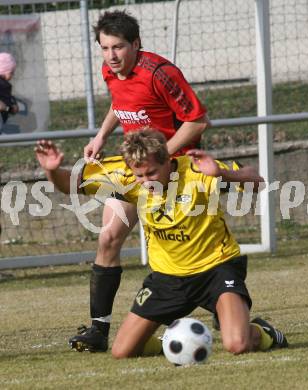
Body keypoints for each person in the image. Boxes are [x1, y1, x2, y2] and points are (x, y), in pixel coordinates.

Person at [35, 130, 288, 358]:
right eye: (140, 175)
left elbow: (258, 182)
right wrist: (52, 170)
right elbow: (71, 185)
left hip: (216, 268)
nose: (147, 181)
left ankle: (264, 332)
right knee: (122, 351)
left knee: (237, 344)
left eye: (152, 173)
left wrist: (223, 173)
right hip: (167, 277)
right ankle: (171, 341)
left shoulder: (197, 170)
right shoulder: (124, 175)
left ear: (168, 160)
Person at [72, 10, 209, 352]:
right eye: (104, 48)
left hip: (175, 171)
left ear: (136, 44)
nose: (111, 56)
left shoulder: (161, 73)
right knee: (108, 237)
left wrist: (160, 158)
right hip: (137, 171)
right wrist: (101, 135)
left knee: (184, 251)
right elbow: (121, 104)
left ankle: (228, 308)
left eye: (117, 47)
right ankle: (98, 330)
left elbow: (197, 122)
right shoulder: (110, 70)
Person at [0, 52, 19, 133]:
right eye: (11, 72)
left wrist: (12, 105)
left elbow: (8, 97)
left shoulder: (5, 85)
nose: (12, 75)